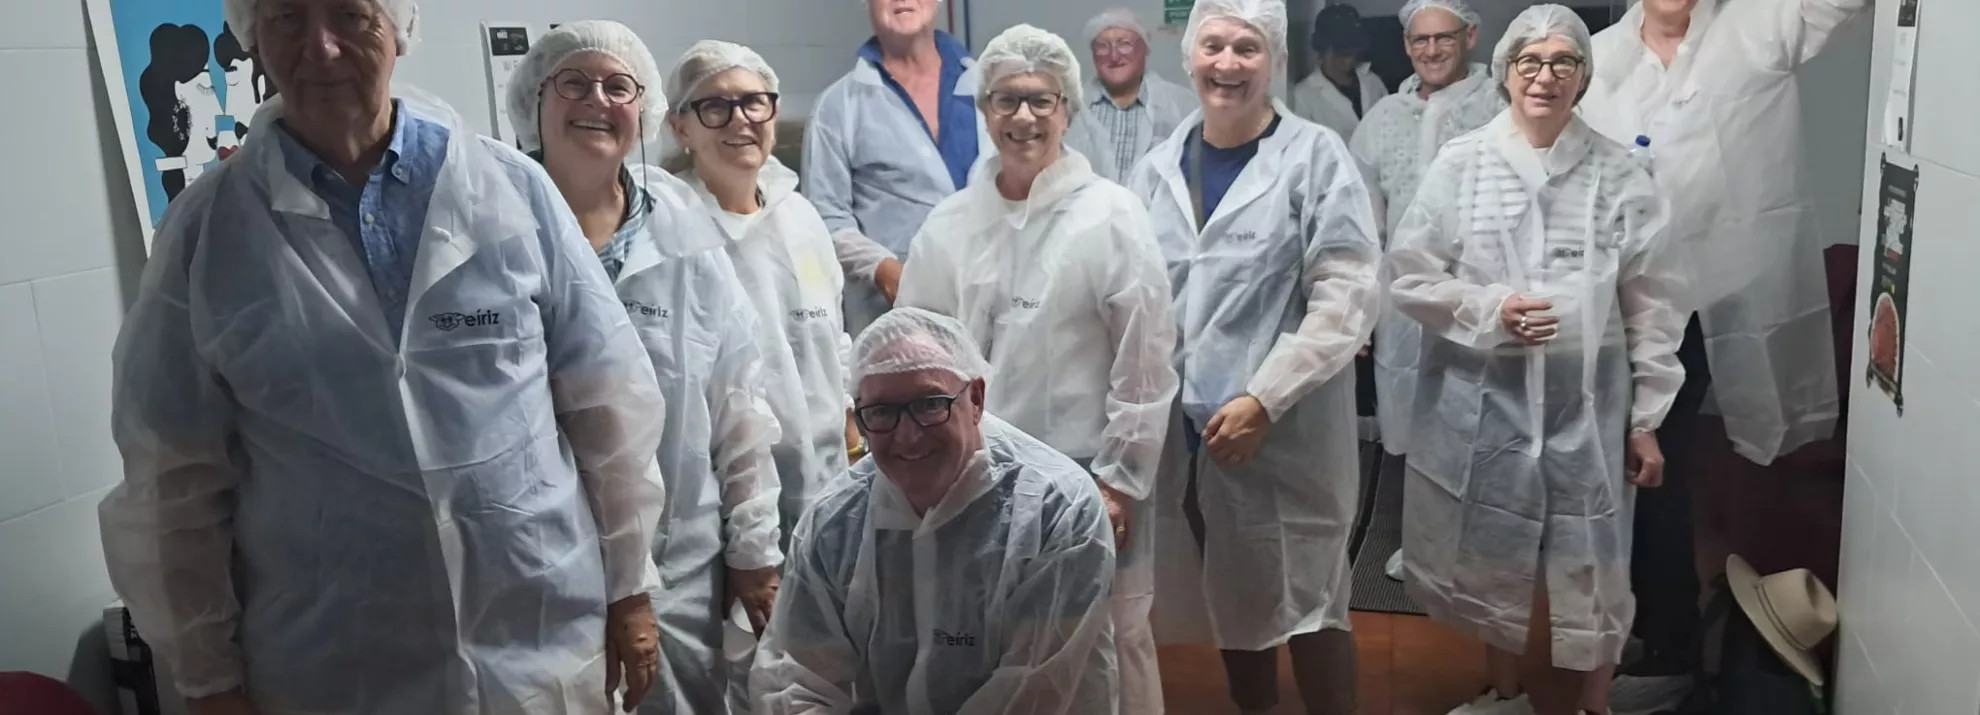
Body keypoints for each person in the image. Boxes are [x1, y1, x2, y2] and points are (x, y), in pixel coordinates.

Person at [100, 2, 670, 714]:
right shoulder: (207, 234)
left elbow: (608, 406)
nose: (323, 48)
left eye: (352, 15)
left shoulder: (510, 192)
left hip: (542, 647)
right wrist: (209, 678)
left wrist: (630, 587)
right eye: (286, 19)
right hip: (335, 670)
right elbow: (171, 481)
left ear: (399, 29)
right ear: (253, 41)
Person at [1385, 7, 1688, 715]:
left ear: (1583, 76)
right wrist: (1492, 309)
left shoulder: (1619, 172)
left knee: (1598, 550)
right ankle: (1505, 690)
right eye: (1530, 61)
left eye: (1563, 62)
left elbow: (1654, 304)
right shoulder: (1464, 163)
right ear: (1505, 72)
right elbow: (1410, 275)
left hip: (1590, 397)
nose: (1545, 76)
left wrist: (1646, 419)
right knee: (1493, 543)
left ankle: (1593, 699)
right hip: (1487, 396)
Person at [1577, 0, 1868, 707]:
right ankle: (1656, 634)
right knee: (1636, 464)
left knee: (1702, 457)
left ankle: (1688, 639)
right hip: (1632, 297)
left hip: (1732, 293)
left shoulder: (1759, 25)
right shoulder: (1603, 56)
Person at [895, 24, 1180, 715]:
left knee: (1109, 637)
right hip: (976, 476)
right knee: (992, 635)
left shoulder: (1111, 217)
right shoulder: (951, 222)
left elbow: (1144, 358)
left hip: (1088, 474)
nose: (1023, 117)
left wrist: (1121, 477)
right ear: (984, 109)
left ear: (1068, 108)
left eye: (1041, 101)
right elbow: (913, 348)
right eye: (1006, 101)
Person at [504, 22, 786, 715]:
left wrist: (753, 544)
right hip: (538, 563)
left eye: (619, 85)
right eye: (574, 82)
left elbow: (737, 403)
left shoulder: (684, 232)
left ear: (647, 110)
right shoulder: (497, 227)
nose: (596, 99)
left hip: (680, 564)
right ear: (534, 103)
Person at [1128, 1, 1380, 713]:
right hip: (1189, 438)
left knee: (1312, 600)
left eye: (1248, 48)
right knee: (1232, 599)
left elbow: (1349, 293)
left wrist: (1266, 397)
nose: (1228, 64)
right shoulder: (1155, 169)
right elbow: (1139, 297)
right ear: (1190, 56)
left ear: (1273, 60)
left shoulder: (1314, 157)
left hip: (1288, 432)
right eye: (1214, 46)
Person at [750, 308, 1119, 714]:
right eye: (883, 412)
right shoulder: (835, 522)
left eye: (929, 404)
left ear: (975, 398)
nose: (907, 436)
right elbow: (796, 679)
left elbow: (1033, 691)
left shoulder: (1057, 511)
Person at [667, 39, 853, 546]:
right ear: (680, 126)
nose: (739, 119)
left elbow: (832, 340)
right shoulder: (672, 233)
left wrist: (856, 448)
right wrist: (749, 533)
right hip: (726, 508)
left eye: (753, 100)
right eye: (714, 106)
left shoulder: (800, 216)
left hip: (832, 482)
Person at [1346, 0, 1504, 582]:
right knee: (1412, 419)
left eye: (1444, 38)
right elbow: (1364, 222)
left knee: (1484, 417)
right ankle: (1424, 544)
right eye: (1420, 41)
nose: (1432, 51)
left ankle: (1486, 546)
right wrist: (1362, 308)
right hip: (1403, 301)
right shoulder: (1383, 118)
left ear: (1470, 36)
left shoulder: (1500, 104)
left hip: (1482, 291)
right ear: (1406, 44)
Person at [806, 0, 990, 337]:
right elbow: (825, 218)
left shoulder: (990, 88)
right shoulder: (838, 106)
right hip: (891, 317)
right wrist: (885, 270)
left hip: (992, 301)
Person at [1063, 7, 1200, 183]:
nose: (1114, 55)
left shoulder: (1184, 105)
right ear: (1093, 54)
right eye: (1102, 46)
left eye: (1124, 44)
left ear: (1145, 49)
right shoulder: (1068, 107)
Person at [1291, 4, 1388, 139]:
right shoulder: (1303, 96)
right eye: (1341, 52)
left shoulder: (1373, 82)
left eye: (1353, 51)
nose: (1348, 59)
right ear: (1323, 48)